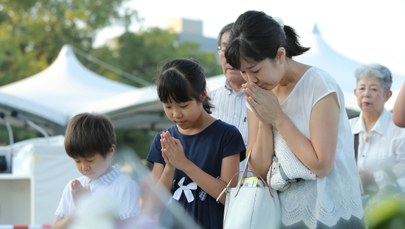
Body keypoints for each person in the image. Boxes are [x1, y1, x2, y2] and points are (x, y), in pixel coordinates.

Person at [225, 10, 363, 228]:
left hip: (330, 213)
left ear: (280, 55)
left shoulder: (318, 85)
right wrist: (264, 120)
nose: (251, 79)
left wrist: (278, 117)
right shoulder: (257, 92)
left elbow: (321, 164)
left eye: (255, 70)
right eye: (243, 72)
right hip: (282, 214)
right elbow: (260, 169)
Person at [147, 58, 245, 229]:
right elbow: (153, 206)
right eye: (168, 106)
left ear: (202, 94)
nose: (176, 114)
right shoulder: (163, 140)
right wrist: (170, 166)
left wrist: (184, 164)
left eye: (183, 105)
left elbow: (229, 197)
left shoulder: (226, 135)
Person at [53, 112, 140, 229]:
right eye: (77, 161)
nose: (84, 167)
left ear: (110, 151)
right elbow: (56, 226)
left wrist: (89, 205)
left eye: (90, 160)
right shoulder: (73, 187)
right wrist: (78, 211)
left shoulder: (125, 186)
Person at [349, 64, 405, 196]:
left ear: (387, 95)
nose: (366, 94)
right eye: (361, 88)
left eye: (374, 89)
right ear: (355, 92)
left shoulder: (399, 129)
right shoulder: (347, 128)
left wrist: (374, 178)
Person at [209, 22, 248, 173]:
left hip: (258, 192)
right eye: (225, 48)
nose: (230, 57)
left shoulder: (268, 99)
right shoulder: (207, 102)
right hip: (213, 192)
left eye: (237, 49)